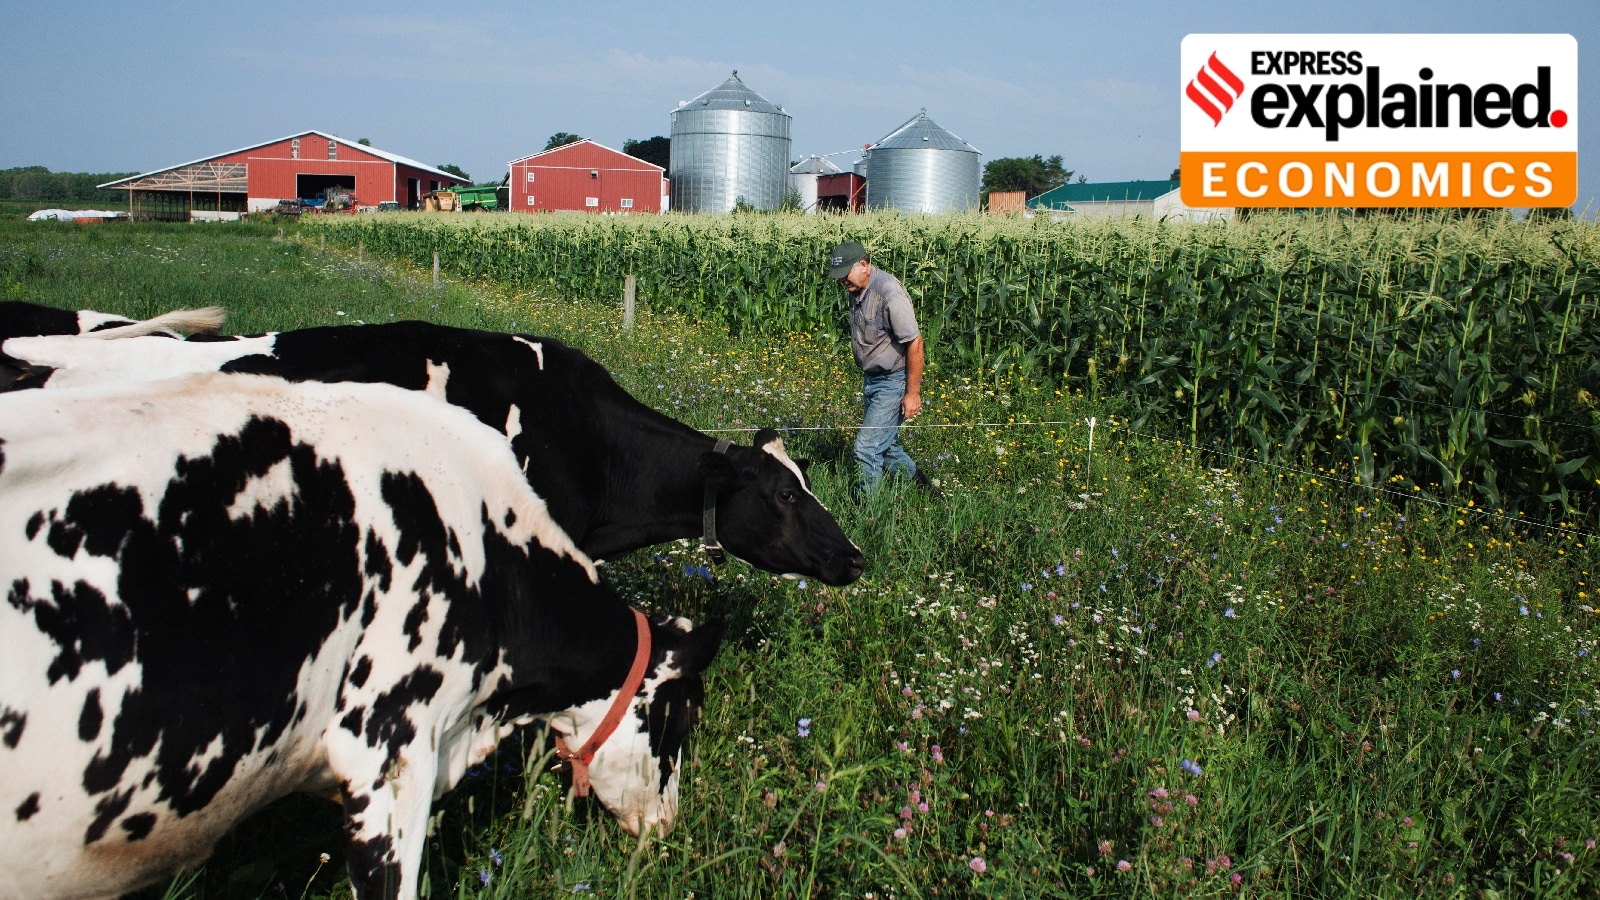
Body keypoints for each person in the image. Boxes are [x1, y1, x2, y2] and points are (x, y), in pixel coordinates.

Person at [828, 241, 939, 498]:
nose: (843, 280)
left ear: (864, 266)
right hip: (873, 378)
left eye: (846, 273)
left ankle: (868, 513)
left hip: (894, 380)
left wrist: (913, 393)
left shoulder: (889, 292)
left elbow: (915, 342)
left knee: (867, 449)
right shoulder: (856, 288)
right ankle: (925, 493)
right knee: (886, 447)